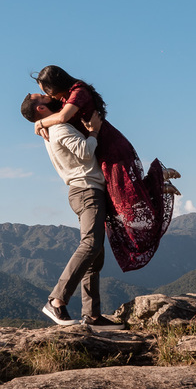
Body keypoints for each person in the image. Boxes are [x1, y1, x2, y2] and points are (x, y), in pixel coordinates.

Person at [29, 65, 179, 273]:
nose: (47, 94)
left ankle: (158, 180)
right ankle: (158, 181)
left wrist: (39, 123)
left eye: (47, 89)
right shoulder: (65, 98)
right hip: (101, 149)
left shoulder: (78, 92)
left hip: (110, 147)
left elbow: (63, 118)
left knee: (124, 201)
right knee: (120, 198)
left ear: (55, 83)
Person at [21, 93, 119, 328]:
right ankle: (56, 300)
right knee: (91, 245)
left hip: (84, 191)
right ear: (41, 109)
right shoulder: (60, 129)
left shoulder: (51, 128)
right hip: (87, 190)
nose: (49, 96)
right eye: (42, 96)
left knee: (95, 256)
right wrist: (94, 131)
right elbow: (85, 152)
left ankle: (93, 316)